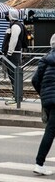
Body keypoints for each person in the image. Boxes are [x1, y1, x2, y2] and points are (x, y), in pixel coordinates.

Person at [31, 33, 55, 176]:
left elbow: (35, 80)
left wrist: (44, 93)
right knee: (51, 131)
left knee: (51, 130)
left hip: (48, 100)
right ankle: (39, 163)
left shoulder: (45, 59)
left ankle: (40, 163)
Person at [2, 8, 23, 104]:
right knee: (12, 75)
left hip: (13, 54)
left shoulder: (15, 26)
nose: (6, 16)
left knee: (13, 75)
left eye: (7, 15)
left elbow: (13, 40)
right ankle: (16, 95)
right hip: (13, 53)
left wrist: (9, 52)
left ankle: (16, 97)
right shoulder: (14, 25)